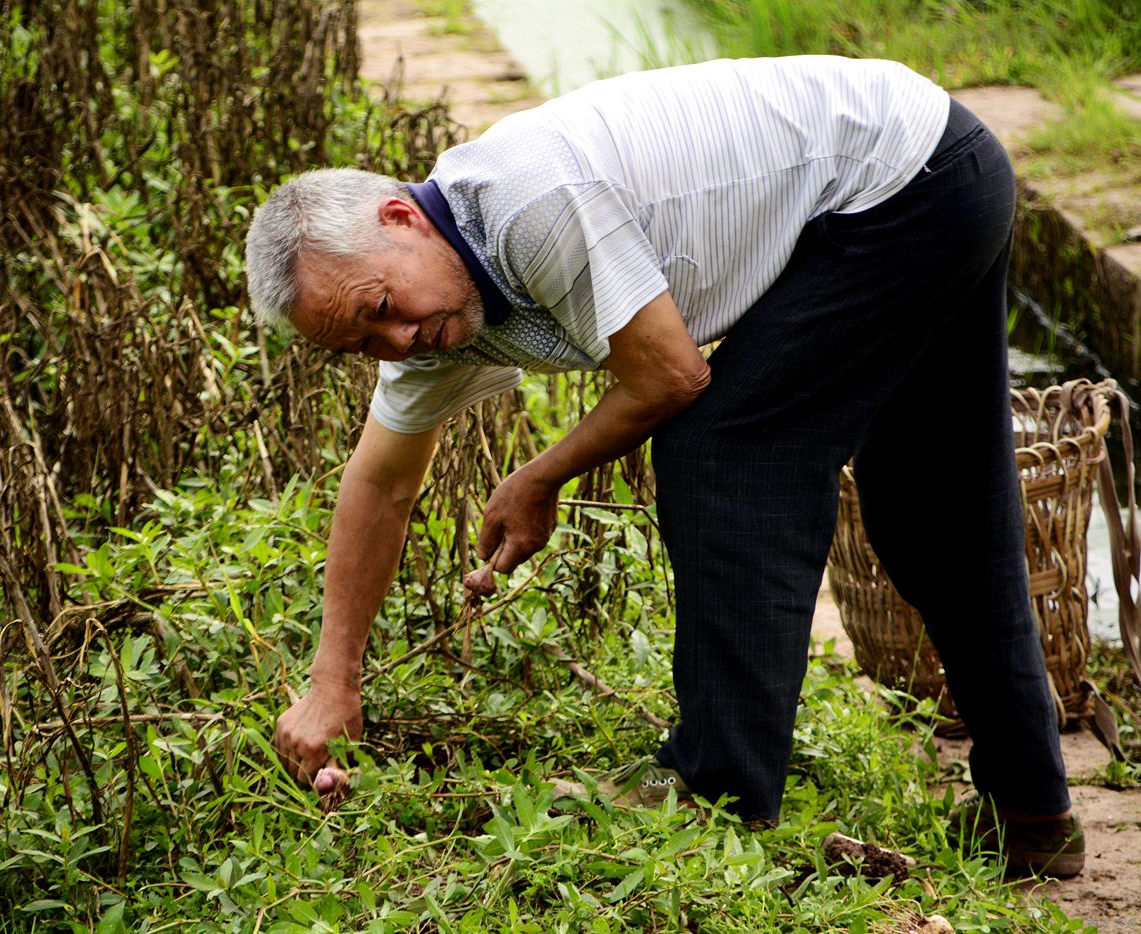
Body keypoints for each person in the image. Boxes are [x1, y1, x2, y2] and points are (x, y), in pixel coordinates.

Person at [244, 55, 1084, 876]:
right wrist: (332, 682)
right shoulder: (433, 313)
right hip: (937, 169)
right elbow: (382, 482)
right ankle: (1033, 813)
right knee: (933, 504)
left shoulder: (525, 202)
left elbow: (673, 377)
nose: (394, 341)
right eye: (360, 343)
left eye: (380, 310)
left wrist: (538, 477)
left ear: (400, 218)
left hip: (906, 181)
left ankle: (717, 785)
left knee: (724, 451)